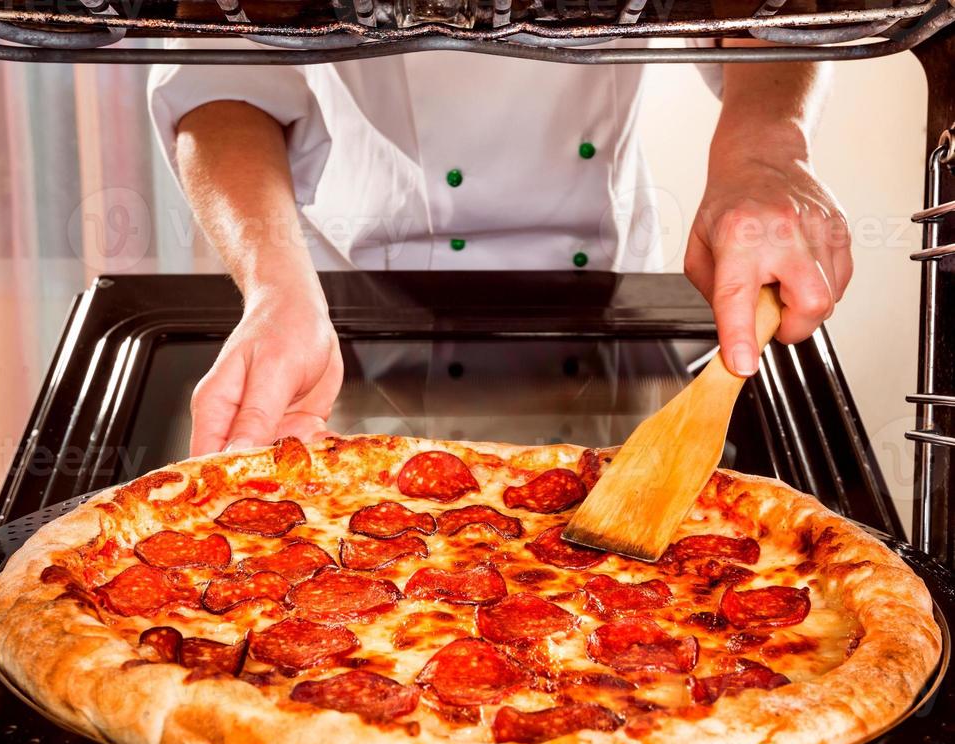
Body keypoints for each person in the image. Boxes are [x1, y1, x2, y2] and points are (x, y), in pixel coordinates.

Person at [148, 37, 851, 456]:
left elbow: (772, 15)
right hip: (351, 318)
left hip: (609, 303)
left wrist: (766, 149)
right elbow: (222, 80)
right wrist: (275, 287)